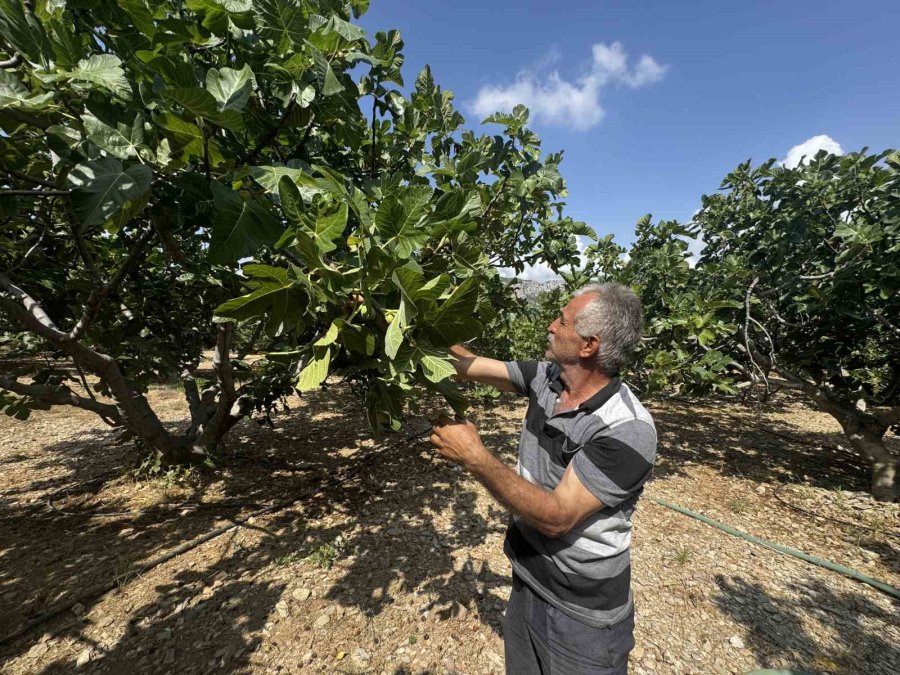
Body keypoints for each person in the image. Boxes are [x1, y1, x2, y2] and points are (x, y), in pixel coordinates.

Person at [429, 282, 656, 675]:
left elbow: (557, 517)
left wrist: (476, 458)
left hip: (582, 613)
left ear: (589, 346)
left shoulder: (627, 429)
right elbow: (468, 365)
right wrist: (398, 313)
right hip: (528, 577)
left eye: (563, 321)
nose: (551, 325)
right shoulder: (548, 378)